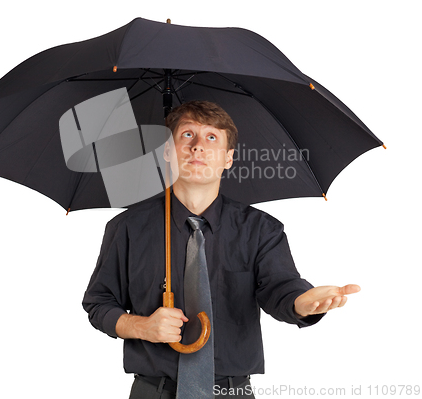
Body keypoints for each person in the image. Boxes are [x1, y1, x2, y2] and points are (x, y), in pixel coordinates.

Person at [82, 100, 360, 398]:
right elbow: (98, 303)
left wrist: (301, 303)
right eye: (187, 135)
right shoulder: (127, 228)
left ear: (228, 158)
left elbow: (280, 287)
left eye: (211, 137)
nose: (198, 146)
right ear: (166, 151)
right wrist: (141, 326)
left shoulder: (261, 230)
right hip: (153, 391)